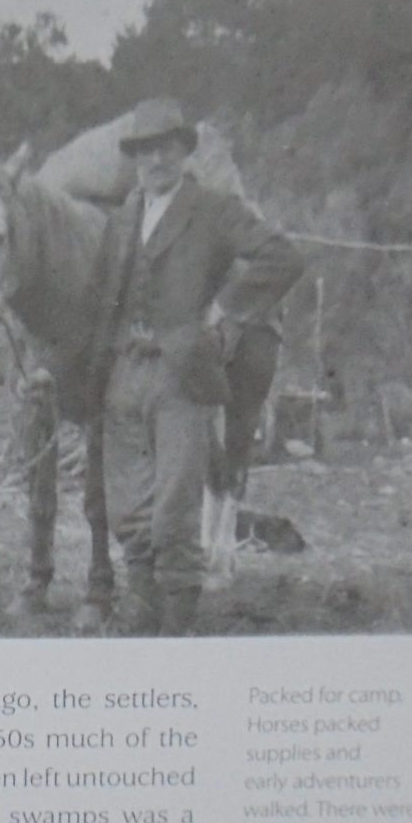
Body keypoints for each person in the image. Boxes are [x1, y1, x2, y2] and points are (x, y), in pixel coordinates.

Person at [86, 100, 303, 635]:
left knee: (174, 510)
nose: (153, 158)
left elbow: (283, 257)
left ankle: (177, 619)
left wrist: (225, 311)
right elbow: (101, 296)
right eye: (142, 149)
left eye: (164, 146)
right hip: (123, 373)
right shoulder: (123, 218)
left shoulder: (214, 209)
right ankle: (141, 602)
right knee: (127, 508)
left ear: (185, 150)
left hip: (181, 374)